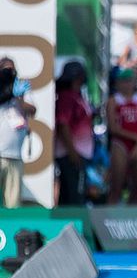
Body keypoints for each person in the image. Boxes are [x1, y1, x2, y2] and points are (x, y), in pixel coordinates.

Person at [106, 68, 137, 205]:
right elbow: (113, 128)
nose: (126, 85)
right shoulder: (114, 101)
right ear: (118, 83)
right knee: (116, 186)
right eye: (123, 81)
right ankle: (108, 217)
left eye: (129, 81)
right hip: (120, 144)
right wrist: (136, 138)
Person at [54, 61, 95, 206]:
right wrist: (72, 152)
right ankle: (72, 226)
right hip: (70, 155)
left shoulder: (78, 96)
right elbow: (63, 125)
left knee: (76, 194)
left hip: (79, 154)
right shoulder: (67, 97)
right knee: (74, 196)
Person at [0, 65, 28, 208]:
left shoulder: (19, 96)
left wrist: (17, 96)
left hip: (15, 156)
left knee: (13, 203)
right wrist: (8, 92)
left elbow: (31, 109)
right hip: (1, 154)